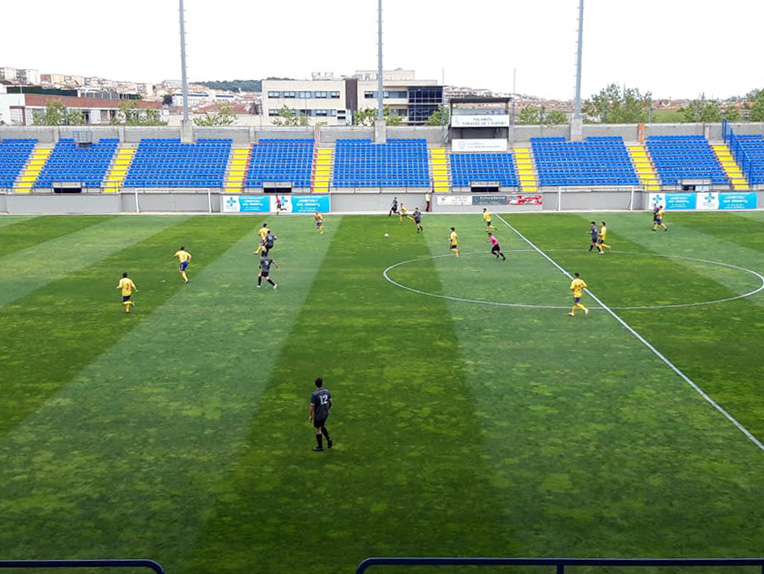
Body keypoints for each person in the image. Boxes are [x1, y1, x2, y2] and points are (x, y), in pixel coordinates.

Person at [308, 377, 333, 452]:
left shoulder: (314, 394)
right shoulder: (327, 391)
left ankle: (320, 446)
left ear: (315, 384)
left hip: (319, 414)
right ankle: (329, 440)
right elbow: (331, 402)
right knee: (322, 426)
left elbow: (312, 406)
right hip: (325, 413)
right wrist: (328, 409)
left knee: (318, 429)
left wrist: (310, 415)